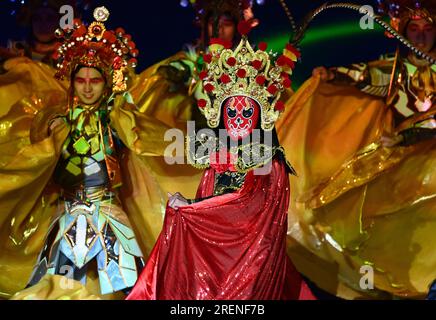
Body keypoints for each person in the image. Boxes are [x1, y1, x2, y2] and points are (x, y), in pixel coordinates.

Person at [127, 24, 315, 300]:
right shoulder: (216, 156)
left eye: (247, 111)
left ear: (260, 115)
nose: (238, 118)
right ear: (221, 115)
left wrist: (193, 209)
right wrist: (191, 210)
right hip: (215, 257)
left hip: (252, 257)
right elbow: (209, 198)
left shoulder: (268, 159)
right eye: (232, 110)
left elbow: (247, 208)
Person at [1, 6, 172, 300]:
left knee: (126, 291)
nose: (88, 88)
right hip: (67, 213)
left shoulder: (117, 118)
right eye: (81, 80)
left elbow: (153, 138)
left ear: (106, 83)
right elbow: (37, 151)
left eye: (95, 81)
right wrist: (52, 133)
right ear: (71, 80)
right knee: (61, 289)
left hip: (108, 211)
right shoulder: (57, 119)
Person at [282, 0, 435, 299]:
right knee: (338, 205)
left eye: (427, 29)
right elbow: (367, 77)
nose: (419, 36)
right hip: (393, 158)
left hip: (425, 159)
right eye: (413, 29)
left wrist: (408, 138)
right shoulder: (393, 69)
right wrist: (332, 76)